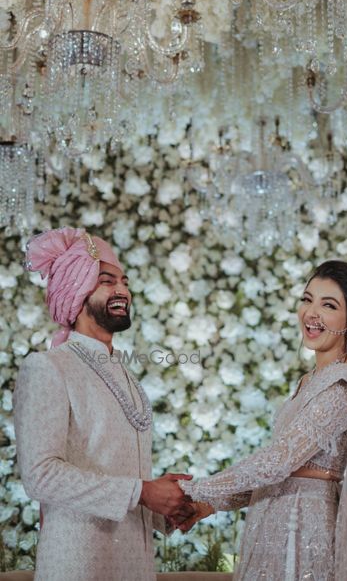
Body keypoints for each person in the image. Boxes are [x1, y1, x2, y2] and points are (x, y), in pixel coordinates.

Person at [178, 260, 347, 580]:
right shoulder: (312, 379)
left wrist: (194, 488)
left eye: (329, 304)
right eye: (307, 299)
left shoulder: (339, 387)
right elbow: (277, 471)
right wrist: (204, 506)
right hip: (274, 519)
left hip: (303, 530)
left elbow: (278, 462)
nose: (312, 313)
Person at [13, 227, 193, 581]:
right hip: (79, 564)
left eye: (124, 282)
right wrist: (142, 492)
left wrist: (165, 508)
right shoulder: (49, 367)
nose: (123, 290)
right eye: (107, 281)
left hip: (134, 566)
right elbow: (40, 476)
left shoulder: (127, 375)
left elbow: (123, 478)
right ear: (75, 288)